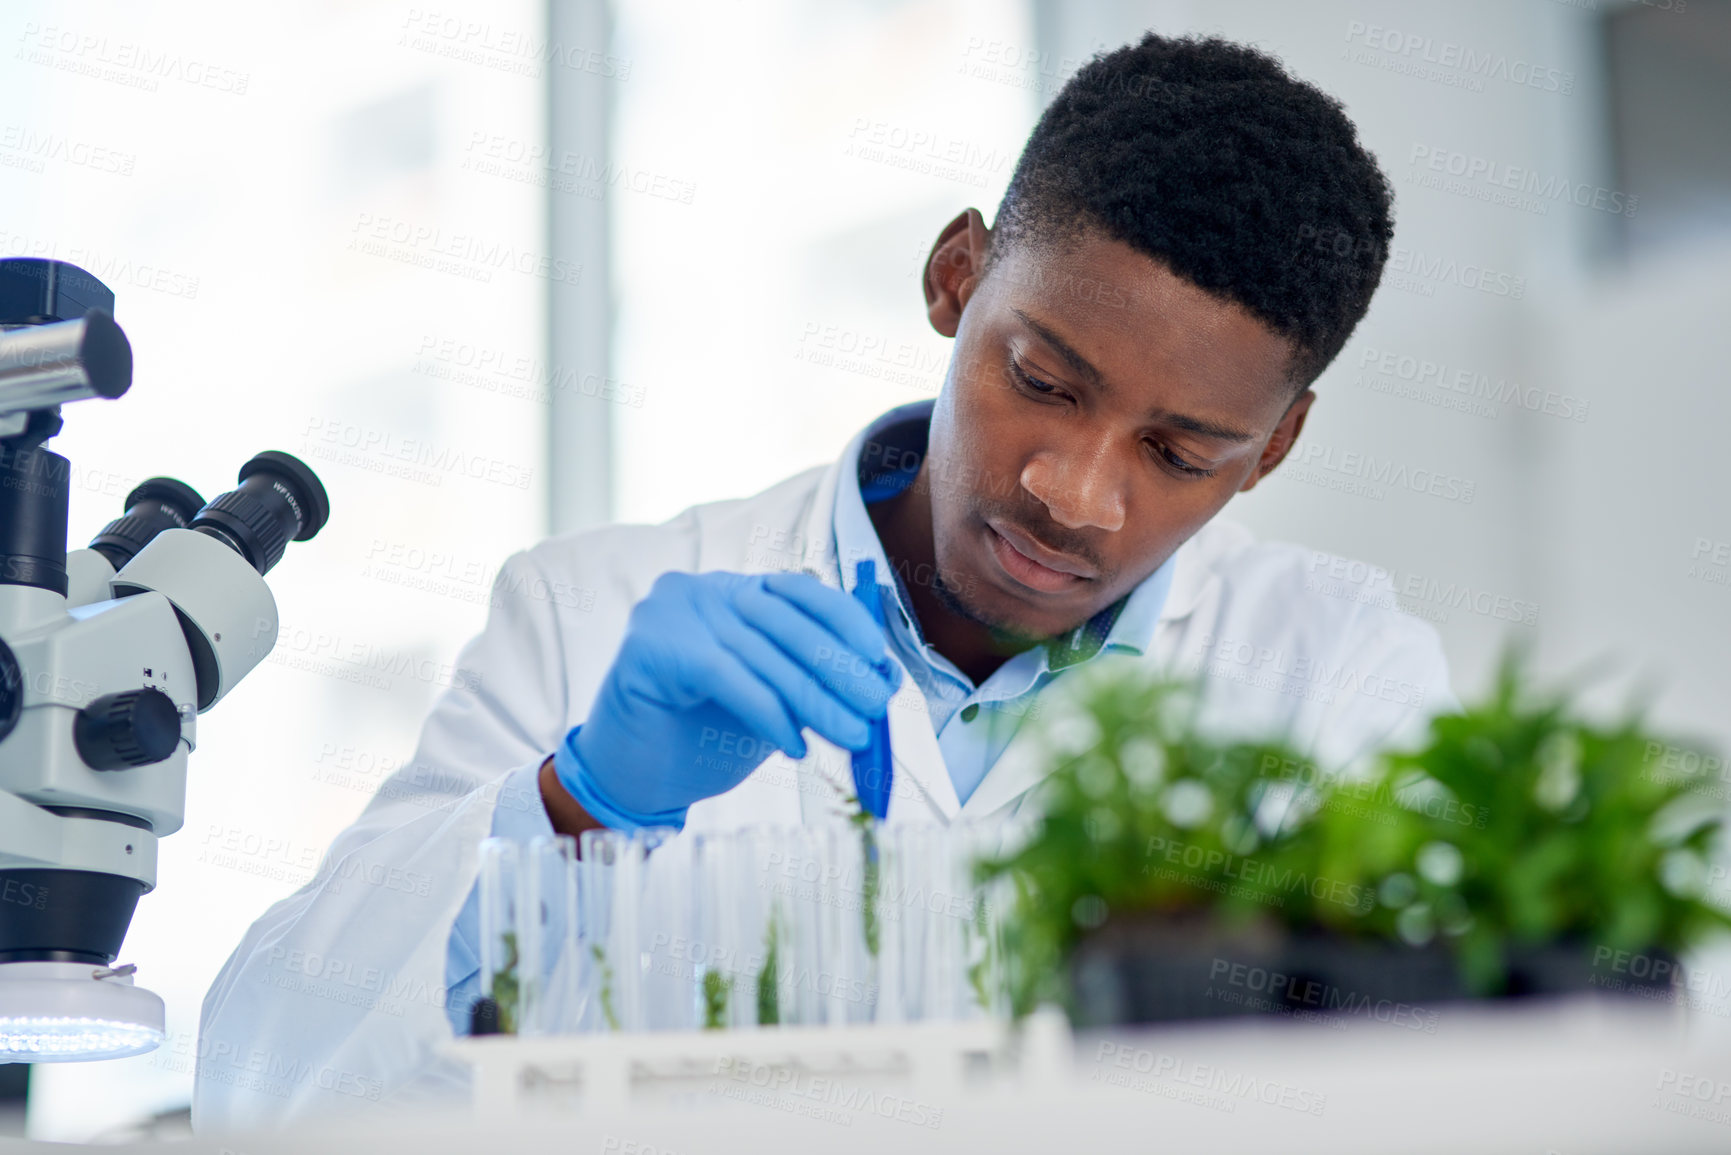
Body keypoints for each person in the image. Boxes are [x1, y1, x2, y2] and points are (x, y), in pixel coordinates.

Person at [195, 32, 1452, 1129]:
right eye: (1043, 382)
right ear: (956, 278)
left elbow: (1456, 1093)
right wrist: (577, 805)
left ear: (1272, 450)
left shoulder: (1332, 674)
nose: (1076, 492)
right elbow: (266, 1081)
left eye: (1177, 454)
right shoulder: (588, 611)